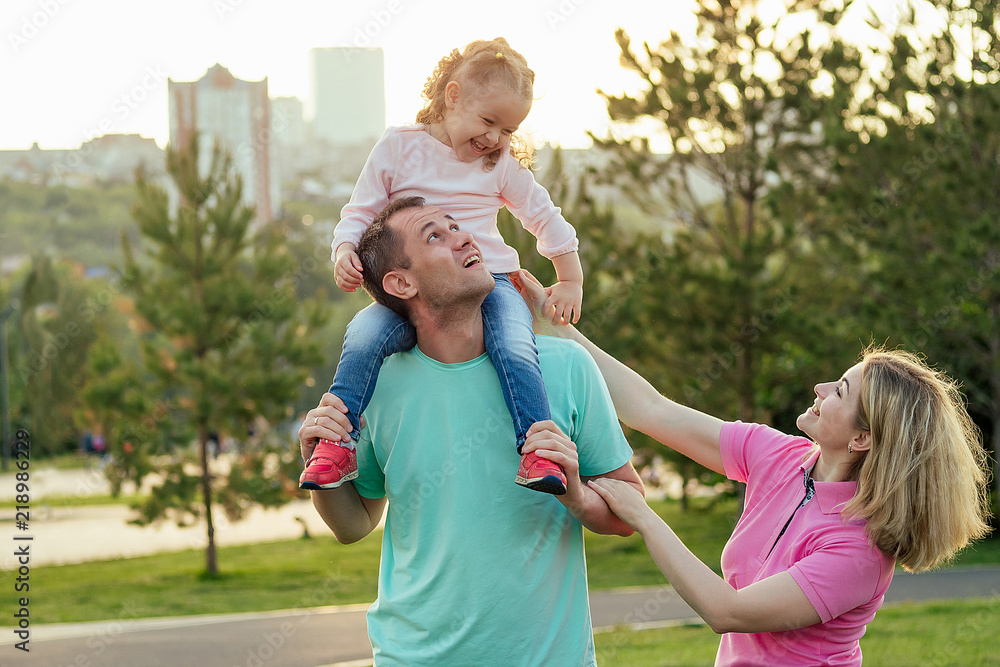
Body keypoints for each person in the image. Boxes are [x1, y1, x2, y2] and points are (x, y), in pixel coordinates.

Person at [513, 270, 992, 666]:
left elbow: (730, 612)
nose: (821, 387)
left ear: (862, 439)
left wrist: (643, 516)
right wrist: (556, 327)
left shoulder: (858, 549)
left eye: (840, 391)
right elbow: (651, 409)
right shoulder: (779, 457)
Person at [298, 197, 643, 666]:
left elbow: (629, 512)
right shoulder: (375, 386)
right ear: (401, 282)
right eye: (434, 236)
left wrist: (577, 495)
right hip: (413, 657)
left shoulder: (565, 368)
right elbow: (354, 525)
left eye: (457, 225)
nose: (464, 236)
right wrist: (318, 465)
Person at [300, 37, 584, 496]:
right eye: (488, 121)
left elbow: (542, 214)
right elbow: (359, 209)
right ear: (453, 97)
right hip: (416, 287)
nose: (496, 139)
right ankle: (336, 442)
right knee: (363, 336)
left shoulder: (499, 164)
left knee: (514, 346)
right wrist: (344, 250)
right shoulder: (398, 147)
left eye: (509, 130)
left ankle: (538, 449)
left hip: (488, 280)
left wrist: (569, 277)